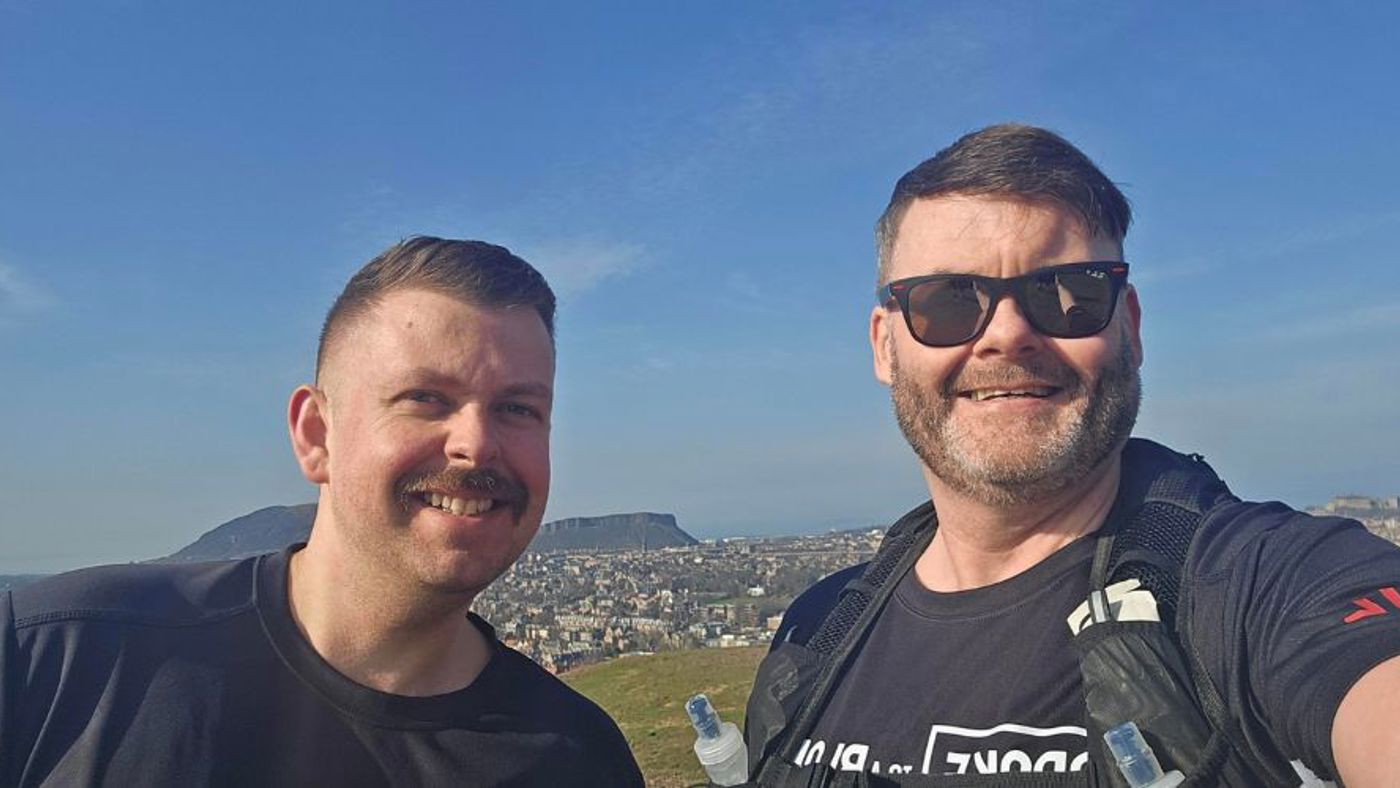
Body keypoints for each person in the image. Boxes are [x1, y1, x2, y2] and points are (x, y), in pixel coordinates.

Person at [743, 125, 1400, 787]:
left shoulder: (1257, 585)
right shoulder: (815, 633)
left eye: (1070, 295)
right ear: (885, 346)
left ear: (1129, 326)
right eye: (947, 301)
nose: (1008, 335)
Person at [0, 237, 644, 787]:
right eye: (425, 397)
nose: (476, 444)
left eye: (519, 408)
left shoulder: (582, 760)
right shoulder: (56, 658)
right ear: (316, 435)